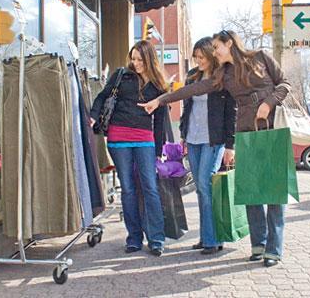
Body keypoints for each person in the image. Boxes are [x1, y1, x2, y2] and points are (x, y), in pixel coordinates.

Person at [138, 30, 291, 267]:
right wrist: (161, 100)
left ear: (229, 44)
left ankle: (274, 247)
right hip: (246, 132)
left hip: (271, 128)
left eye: (217, 47)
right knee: (251, 192)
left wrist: (269, 103)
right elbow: (192, 90)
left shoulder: (260, 57)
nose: (215, 52)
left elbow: (284, 83)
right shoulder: (224, 74)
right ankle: (259, 243)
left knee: (272, 192)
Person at [91, 40, 167, 257]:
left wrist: (159, 149)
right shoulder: (121, 75)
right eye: (133, 59)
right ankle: (134, 237)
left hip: (145, 139)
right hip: (118, 137)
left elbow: (160, 119)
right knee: (128, 188)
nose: (135, 63)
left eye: (140, 60)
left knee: (150, 187)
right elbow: (103, 96)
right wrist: (92, 116)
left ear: (149, 60)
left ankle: (156, 238)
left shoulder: (158, 84)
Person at [180, 37, 236, 255]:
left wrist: (230, 145)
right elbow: (187, 107)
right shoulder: (193, 76)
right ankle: (207, 237)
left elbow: (231, 112)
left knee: (204, 184)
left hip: (214, 139)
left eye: (201, 57)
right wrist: (183, 135)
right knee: (201, 190)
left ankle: (212, 239)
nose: (198, 60)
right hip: (193, 138)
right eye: (196, 57)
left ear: (211, 55)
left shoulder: (222, 77)